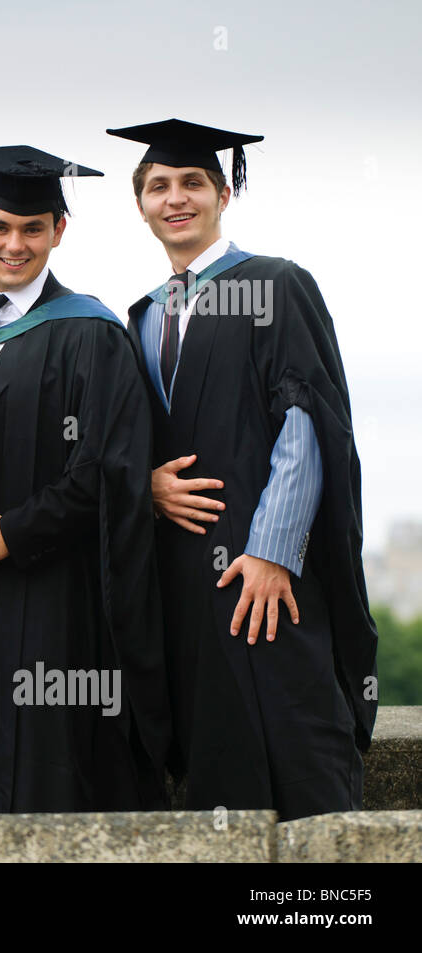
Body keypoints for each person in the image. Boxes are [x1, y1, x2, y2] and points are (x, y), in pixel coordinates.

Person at [107, 119, 377, 819]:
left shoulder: (274, 284)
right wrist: (146, 483)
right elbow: (131, 437)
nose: (175, 198)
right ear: (140, 205)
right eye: (159, 187)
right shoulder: (142, 316)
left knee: (298, 752)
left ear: (223, 194)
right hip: (185, 587)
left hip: (268, 578)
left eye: (192, 183)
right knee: (218, 769)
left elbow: (304, 418)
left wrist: (273, 551)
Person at [0, 146, 170, 812]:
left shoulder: (90, 331)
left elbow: (108, 466)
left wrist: (14, 531)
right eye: (0, 226)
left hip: (48, 592)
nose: (15, 244)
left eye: (33, 229)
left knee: (40, 769)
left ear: (59, 231)